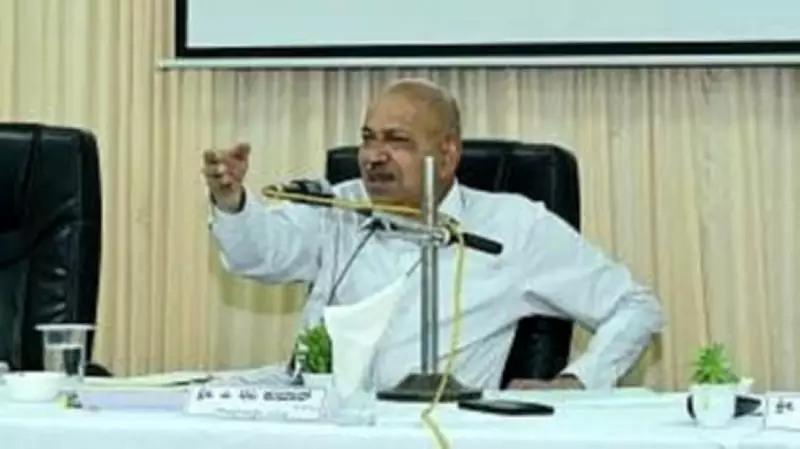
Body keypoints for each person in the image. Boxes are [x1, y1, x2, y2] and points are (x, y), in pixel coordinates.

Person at [202, 78, 665, 391]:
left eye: (396, 140)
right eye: (368, 138)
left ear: (447, 156)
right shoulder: (339, 208)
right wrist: (231, 201)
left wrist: (577, 382)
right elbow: (258, 254)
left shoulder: (514, 227)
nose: (373, 156)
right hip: (323, 423)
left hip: (437, 432)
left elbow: (636, 307)